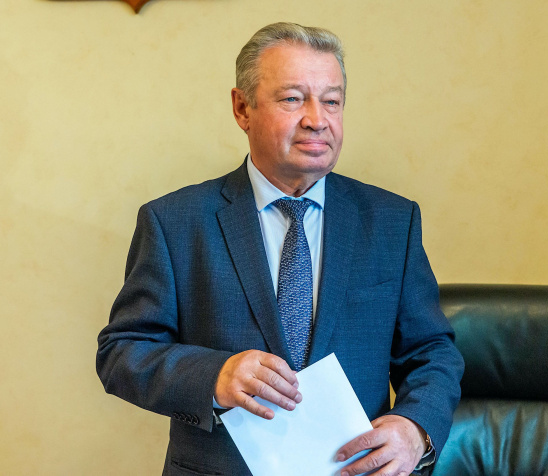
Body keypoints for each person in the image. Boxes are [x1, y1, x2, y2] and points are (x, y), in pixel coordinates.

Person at [97, 22, 464, 476]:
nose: (317, 119)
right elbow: (122, 352)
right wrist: (214, 375)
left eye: (332, 101)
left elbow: (432, 352)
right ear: (242, 108)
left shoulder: (392, 221)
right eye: (293, 99)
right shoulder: (175, 221)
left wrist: (415, 428)